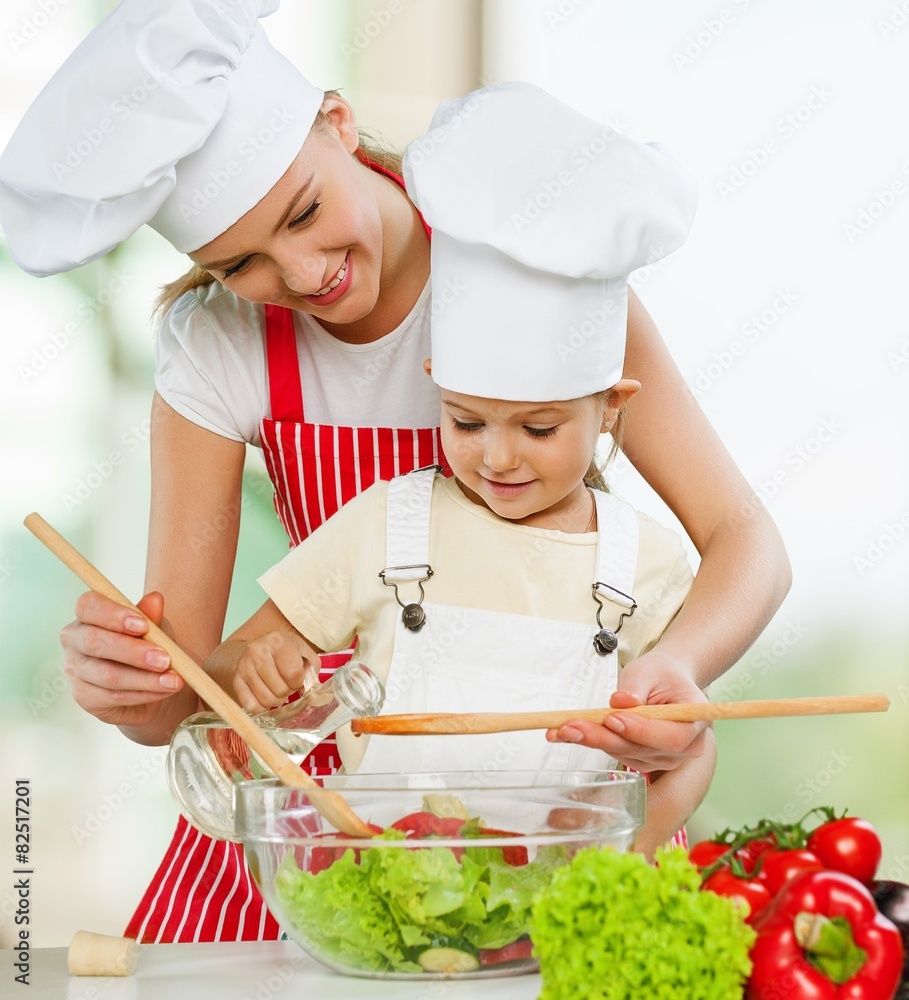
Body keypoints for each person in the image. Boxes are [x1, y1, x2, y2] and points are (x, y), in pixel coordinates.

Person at [0, 0, 788, 942]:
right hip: (321, 817)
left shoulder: (531, 265)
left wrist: (676, 666)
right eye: (239, 262)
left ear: (338, 122)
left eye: (305, 212)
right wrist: (129, 685)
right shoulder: (216, 343)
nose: (301, 276)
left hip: (544, 800)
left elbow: (747, 542)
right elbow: (191, 694)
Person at [206, 79, 716, 861]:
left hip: (562, 909)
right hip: (390, 899)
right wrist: (258, 670)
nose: (497, 457)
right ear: (437, 383)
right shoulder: (386, 522)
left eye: (538, 427)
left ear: (610, 406)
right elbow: (226, 667)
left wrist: (647, 830)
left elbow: (687, 744)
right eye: (465, 421)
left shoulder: (646, 564)